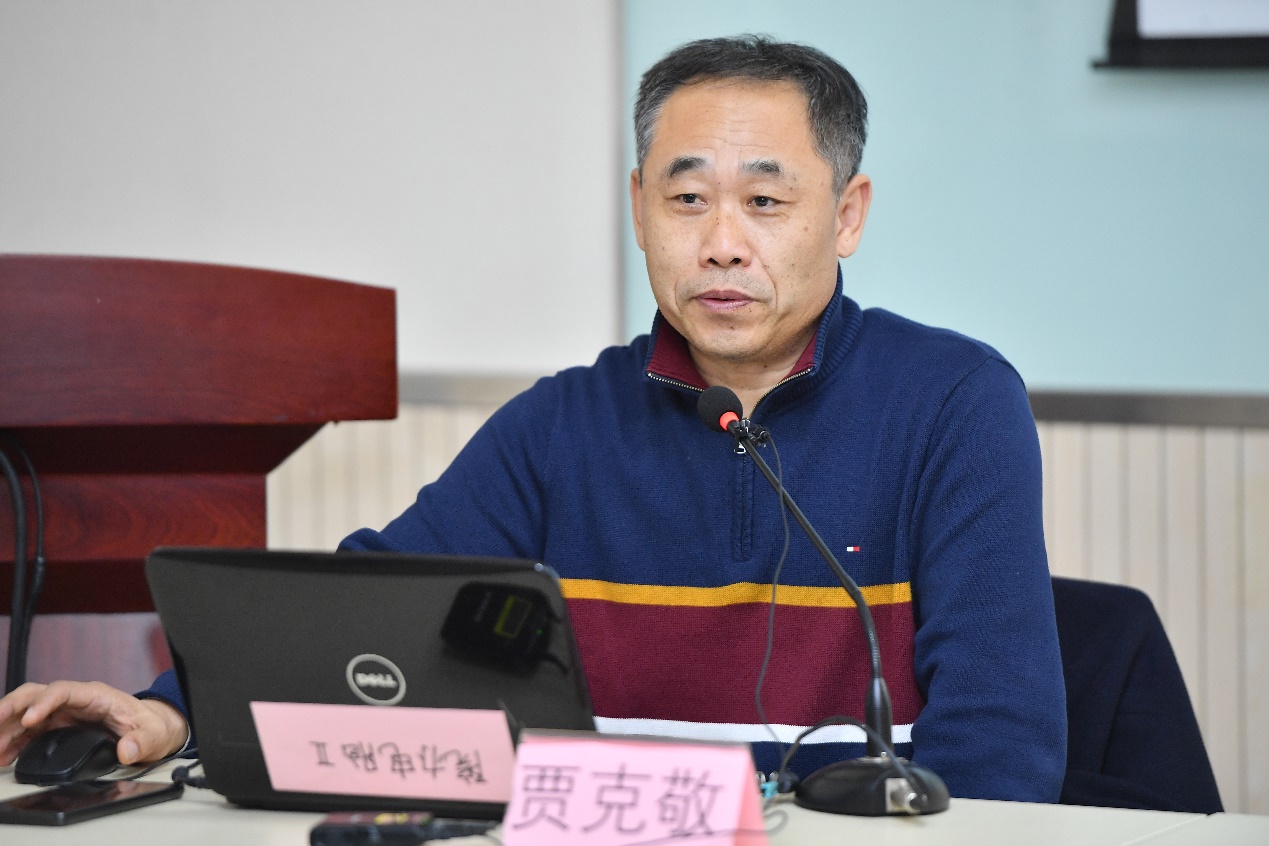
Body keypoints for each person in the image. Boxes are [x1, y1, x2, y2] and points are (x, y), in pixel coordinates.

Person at [0, 35, 1066, 802]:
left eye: (766, 201)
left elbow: (1001, 742)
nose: (722, 242)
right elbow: (365, 607)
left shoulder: (954, 402)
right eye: (686, 199)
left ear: (847, 215)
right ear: (639, 208)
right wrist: (166, 708)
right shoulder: (562, 422)